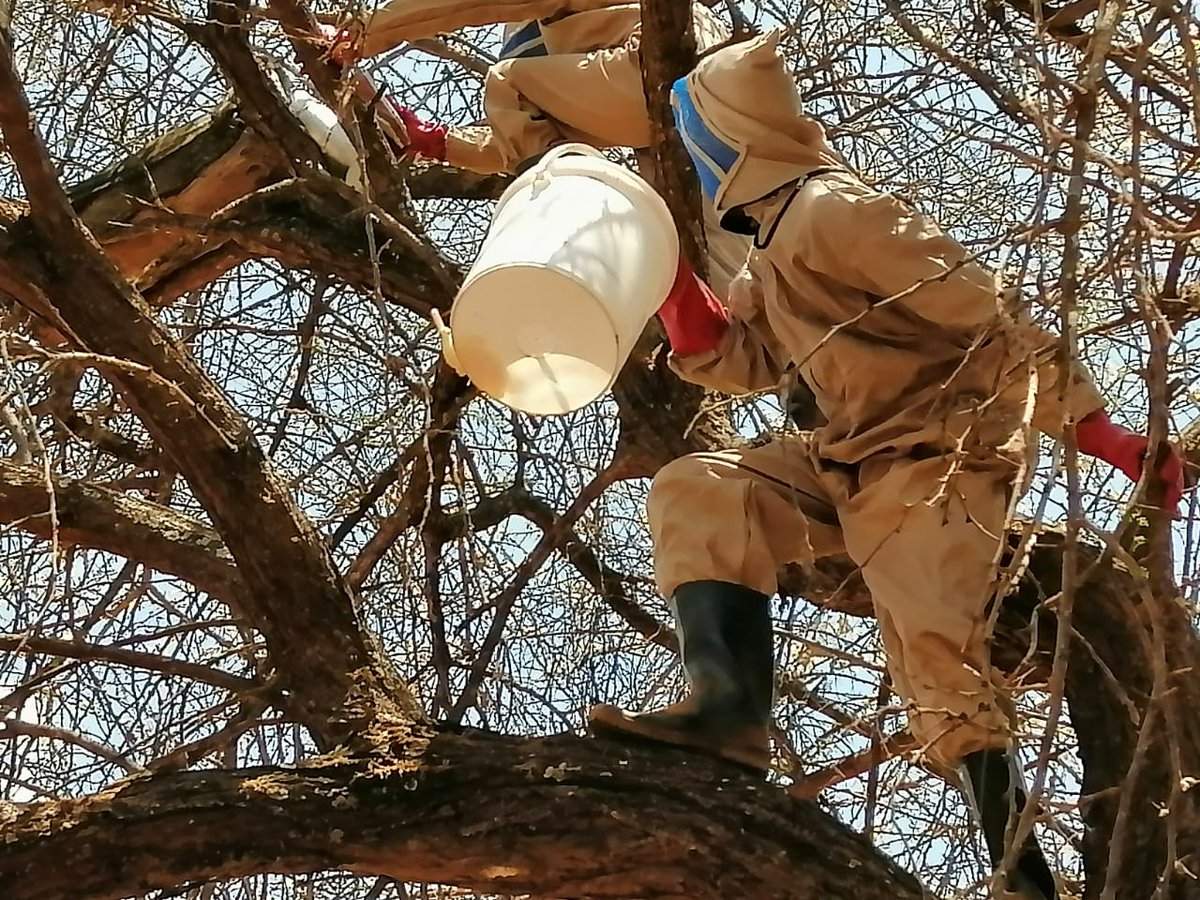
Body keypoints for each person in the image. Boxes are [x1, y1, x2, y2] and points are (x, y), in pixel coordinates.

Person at [584, 30, 1184, 900]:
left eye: (697, 139)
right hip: (842, 462)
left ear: (731, 136)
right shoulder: (773, 245)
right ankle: (727, 711)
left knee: (933, 654)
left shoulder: (841, 214)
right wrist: (672, 286)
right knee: (701, 487)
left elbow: (997, 317)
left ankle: (1021, 874)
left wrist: (1108, 438)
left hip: (936, 458)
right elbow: (744, 358)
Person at [317, 0, 750, 293]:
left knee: (507, 83)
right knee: (726, 300)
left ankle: (562, 213)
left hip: (656, 70)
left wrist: (371, 31)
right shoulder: (564, 65)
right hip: (709, 116)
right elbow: (532, 134)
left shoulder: (542, 41)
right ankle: (788, 369)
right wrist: (439, 142)